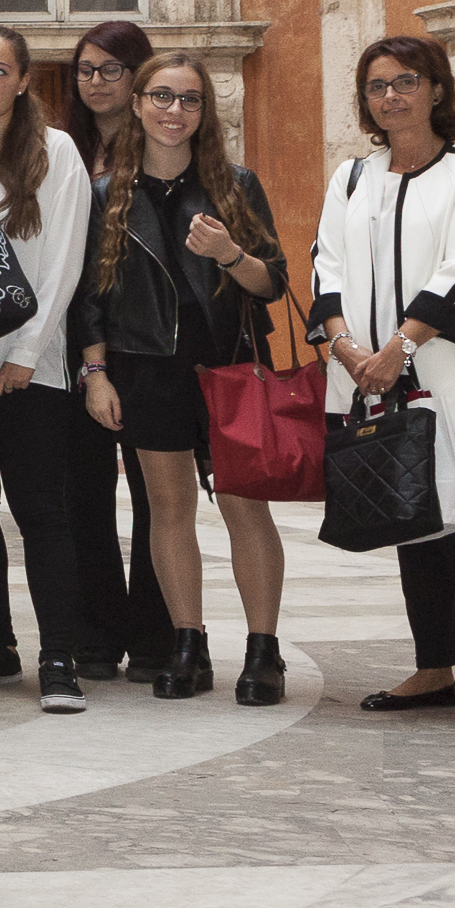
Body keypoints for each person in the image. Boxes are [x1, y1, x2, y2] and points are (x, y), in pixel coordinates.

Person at [318, 35, 455, 722]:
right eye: (378, 85)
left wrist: (398, 350)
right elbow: (327, 267)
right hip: (367, 377)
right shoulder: (351, 178)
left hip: (452, 382)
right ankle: (433, 667)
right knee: (409, 523)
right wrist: (347, 347)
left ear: (436, 89)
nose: (392, 96)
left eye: (406, 81)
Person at [81, 52, 289, 705]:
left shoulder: (235, 184)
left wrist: (230, 254)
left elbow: (274, 282)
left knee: (244, 510)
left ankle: (263, 652)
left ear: (205, 111)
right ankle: (188, 644)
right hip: (146, 368)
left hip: (228, 365)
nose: (176, 111)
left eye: (190, 99)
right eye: (163, 97)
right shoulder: (105, 194)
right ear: (138, 104)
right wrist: (95, 374)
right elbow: (88, 297)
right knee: (168, 512)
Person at [0, 27, 94, 712]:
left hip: (30, 368)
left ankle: (58, 656)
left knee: (40, 513)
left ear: (24, 79)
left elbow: (63, 262)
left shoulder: (56, 153)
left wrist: (27, 352)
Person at [58, 19, 167, 682]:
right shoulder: (58, 151)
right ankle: (94, 630)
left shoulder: (164, 145)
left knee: (159, 501)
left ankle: (157, 634)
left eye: (111, 70)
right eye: (86, 70)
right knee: (82, 497)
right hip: (73, 343)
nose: (96, 82)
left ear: (139, 77)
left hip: (146, 343)